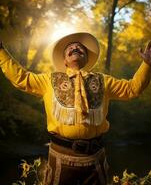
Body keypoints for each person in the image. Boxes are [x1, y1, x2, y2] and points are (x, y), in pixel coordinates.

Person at [0, 32, 151, 185]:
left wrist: (147, 65)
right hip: (60, 157)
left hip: (95, 158)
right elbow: (22, 78)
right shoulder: (48, 80)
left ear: (87, 58)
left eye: (80, 48)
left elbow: (132, 89)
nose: (75, 48)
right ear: (65, 60)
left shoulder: (104, 81)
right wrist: (1, 51)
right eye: (70, 48)